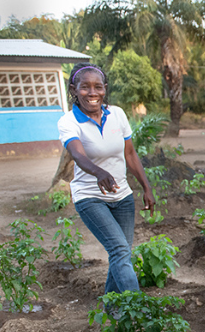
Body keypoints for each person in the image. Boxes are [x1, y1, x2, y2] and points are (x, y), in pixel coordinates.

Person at [58, 62, 155, 296]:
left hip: (122, 196)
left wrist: (146, 187)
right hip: (90, 197)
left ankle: (113, 308)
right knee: (120, 249)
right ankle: (138, 308)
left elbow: (129, 153)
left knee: (120, 253)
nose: (92, 93)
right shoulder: (68, 122)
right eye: (85, 87)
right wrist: (99, 172)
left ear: (105, 89)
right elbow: (78, 155)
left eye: (98, 87)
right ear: (73, 89)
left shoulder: (118, 114)